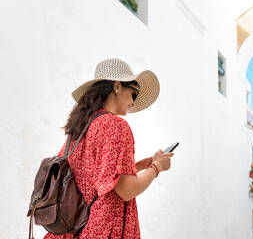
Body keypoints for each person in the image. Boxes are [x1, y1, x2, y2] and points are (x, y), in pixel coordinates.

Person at [44, 58, 173, 239]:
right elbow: (126, 191)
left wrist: (137, 166)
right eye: (134, 94)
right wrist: (156, 167)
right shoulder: (116, 126)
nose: (133, 102)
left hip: (72, 230)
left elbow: (91, 177)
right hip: (102, 228)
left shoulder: (81, 127)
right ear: (117, 86)